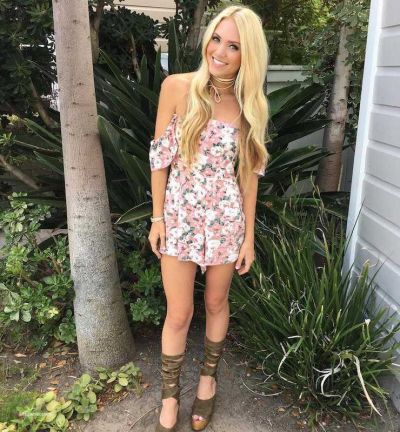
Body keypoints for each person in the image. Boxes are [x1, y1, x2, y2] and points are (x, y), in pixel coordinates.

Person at [148, 5, 270, 431]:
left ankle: (207, 381)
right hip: (180, 218)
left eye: (233, 46)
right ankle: (169, 397)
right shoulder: (177, 87)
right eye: (217, 38)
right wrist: (157, 218)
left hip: (225, 222)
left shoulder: (251, 105)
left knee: (216, 302)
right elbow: (159, 159)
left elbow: (249, 177)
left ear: (247, 55)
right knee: (179, 312)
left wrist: (248, 237)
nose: (220, 51)